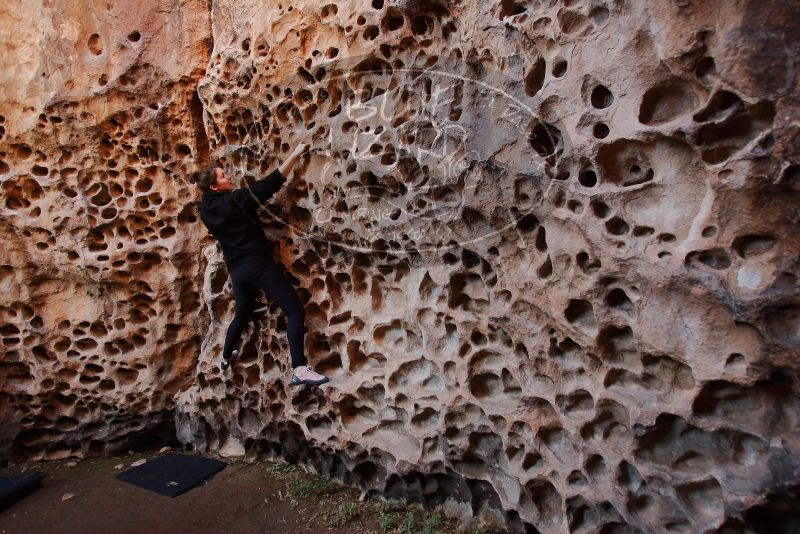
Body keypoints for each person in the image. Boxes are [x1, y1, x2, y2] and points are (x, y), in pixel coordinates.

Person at [194, 142, 329, 386]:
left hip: (237, 271)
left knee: (242, 313)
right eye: (223, 176)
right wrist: (295, 154)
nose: (228, 177)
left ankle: (225, 357)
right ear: (214, 186)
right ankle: (299, 368)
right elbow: (272, 182)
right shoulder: (238, 200)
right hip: (258, 265)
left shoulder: (205, 210)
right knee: (295, 311)